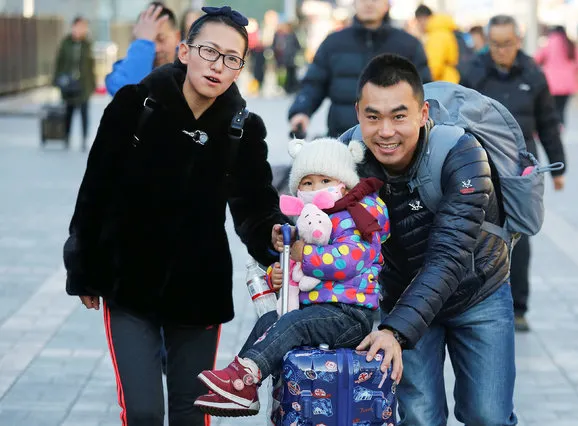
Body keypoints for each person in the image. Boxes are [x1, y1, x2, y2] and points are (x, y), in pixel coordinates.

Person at [63, 7, 288, 425]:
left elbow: (254, 204)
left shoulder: (243, 128)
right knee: (145, 411)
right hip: (128, 284)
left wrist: (273, 236)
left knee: (191, 411)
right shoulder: (135, 106)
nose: (218, 66)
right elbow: (95, 190)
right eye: (209, 51)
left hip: (198, 290)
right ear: (184, 51)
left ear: (240, 68)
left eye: (231, 59)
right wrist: (83, 268)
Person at [340, 53, 518, 425]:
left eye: (399, 116)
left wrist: (393, 331)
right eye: (373, 116)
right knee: (420, 417)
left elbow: (449, 256)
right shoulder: (346, 161)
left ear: (423, 113)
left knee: (489, 416)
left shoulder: (463, 154)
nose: (385, 131)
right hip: (400, 292)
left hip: (478, 293)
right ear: (358, 113)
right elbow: (315, 215)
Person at [193, 137, 391, 417]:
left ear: (342, 183)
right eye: (306, 183)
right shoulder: (319, 217)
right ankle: (245, 391)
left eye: (324, 181)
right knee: (269, 322)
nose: (314, 189)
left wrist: (302, 253)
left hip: (349, 314)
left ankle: (245, 376)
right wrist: (283, 269)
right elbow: (303, 269)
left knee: (294, 324)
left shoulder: (356, 216)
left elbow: (347, 261)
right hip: (319, 311)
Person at [461, 15, 567, 332]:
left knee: (519, 234)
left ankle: (519, 306)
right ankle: (475, 297)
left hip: (520, 171)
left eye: (507, 44)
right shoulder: (473, 72)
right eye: (494, 44)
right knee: (479, 232)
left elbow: (548, 121)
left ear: (518, 41)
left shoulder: (534, 74)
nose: (501, 50)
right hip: (482, 165)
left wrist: (560, 165)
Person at [288, 0, 431, 138]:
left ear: (387, 4)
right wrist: (301, 111)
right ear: (354, 3)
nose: (368, 3)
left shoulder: (409, 45)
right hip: (343, 139)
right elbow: (314, 84)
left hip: (391, 140)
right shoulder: (333, 43)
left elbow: (426, 89)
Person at [105, 2, 181, 96]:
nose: (155, 49)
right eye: (150, 41)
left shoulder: (190, 70)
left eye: (161, 39)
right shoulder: (122, 73)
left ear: (177, 37)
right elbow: (128, 96)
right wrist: (144, 42)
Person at [53, 16, 96, 151]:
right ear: (73, 27)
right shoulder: (66, 43)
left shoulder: (87, 44)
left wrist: (93, 84)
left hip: (84, 84)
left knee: (84, 112)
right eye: (78, 26)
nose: (81, 30)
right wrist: (56, 80)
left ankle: (84, 139)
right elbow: (59, 62)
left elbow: (91, 66)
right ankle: (66, 137)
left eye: (83, 27)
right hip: (68, 83)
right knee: (68, 111)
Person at [534, 25, 578, 126]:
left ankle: (554, 132)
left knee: (550, 110)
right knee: (562, 110)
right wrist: (571, 70)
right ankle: (560, 130)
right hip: (568, 84)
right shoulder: (570, 44)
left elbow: (536, 59)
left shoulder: (549, 43)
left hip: (551, 84)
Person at [414, 4, 461, 83]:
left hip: (443, 84)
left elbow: (434, 66)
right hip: (449, 80)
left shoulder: (437, 35)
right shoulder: (442, 30)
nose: (418, 25)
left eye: (418, 21)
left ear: (422, 19)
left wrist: (423, 82)